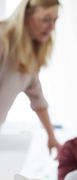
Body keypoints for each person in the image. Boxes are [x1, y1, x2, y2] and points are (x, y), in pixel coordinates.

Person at [0, 0, 61, 153]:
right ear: (26, 15)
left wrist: (51, 136)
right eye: (46, 19)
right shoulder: (2, 40)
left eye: (55, 20)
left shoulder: (29, 57)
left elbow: (38, 99)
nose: (51, 26)